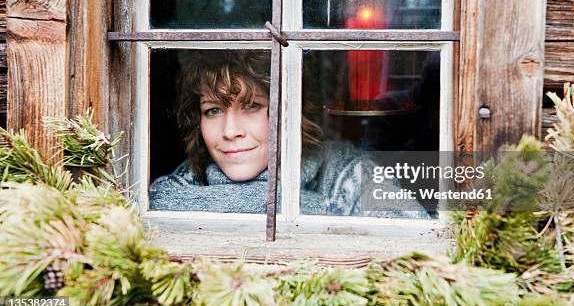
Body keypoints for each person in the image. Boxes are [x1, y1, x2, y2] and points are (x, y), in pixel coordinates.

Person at [149, 50, 428, 217]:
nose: (230, 131)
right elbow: (157, 200)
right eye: (213, 111)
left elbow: (415, 236)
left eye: (252, 106)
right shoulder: (189, 178)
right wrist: (312, 210)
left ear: (289, 112)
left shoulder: (349, 173)